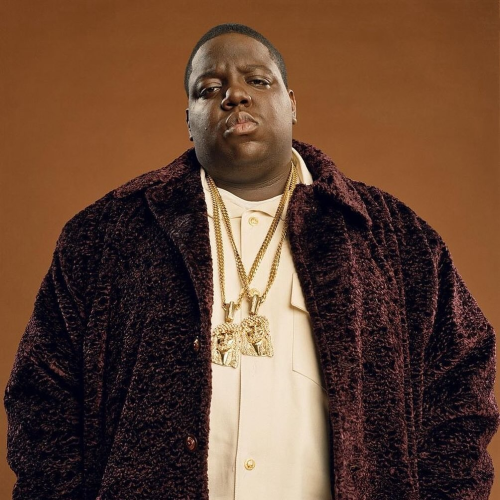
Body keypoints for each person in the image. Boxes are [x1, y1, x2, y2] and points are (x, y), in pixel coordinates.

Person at [4, 23, 499, 500]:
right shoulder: (106, 235)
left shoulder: (395, 238)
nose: (234, 95)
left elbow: (460, 392)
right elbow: (43, 397)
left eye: (257, 81)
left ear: (292, 103)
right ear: (188, 120)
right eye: (209, 89)